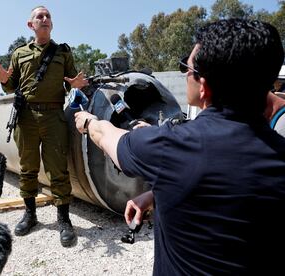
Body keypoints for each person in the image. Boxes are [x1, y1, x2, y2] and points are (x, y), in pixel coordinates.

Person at [75, 19, 285, 274]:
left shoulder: (170, 147)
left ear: (204, 86)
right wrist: (155, 195)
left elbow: (107, 136)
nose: (185, 73)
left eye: (187, 67)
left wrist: (89, 122)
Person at [0, 6, 87, 247]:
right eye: (39, 16)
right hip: (26, 118)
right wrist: (4, 80)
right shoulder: (19, 53)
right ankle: (30, 214)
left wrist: (75, 83)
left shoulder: (63, 52)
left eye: (48, 16)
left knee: (58, 169)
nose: (44, 19)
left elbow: (72, 81)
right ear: (30, 25)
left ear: (51, 24)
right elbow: (11, 85)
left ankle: (64, 220)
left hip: (54, 116)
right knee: (28, 167)